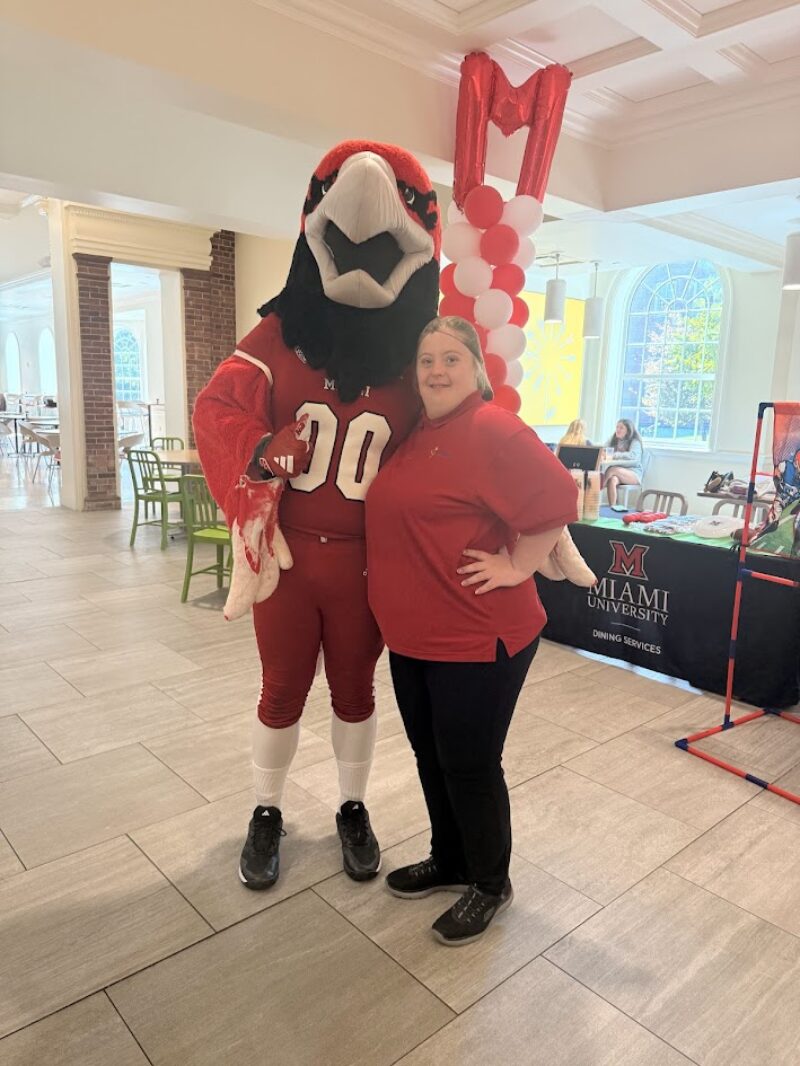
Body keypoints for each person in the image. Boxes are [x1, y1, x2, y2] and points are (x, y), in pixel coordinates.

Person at [193, 140, 441, 891]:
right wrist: (264, 454)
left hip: (369, 564)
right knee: (280, 688)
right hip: (294, 558)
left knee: (356, 693)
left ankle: (352, 805)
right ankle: (266, 811)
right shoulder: (276, 335)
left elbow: (469, 443)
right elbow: (216, 410)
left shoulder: (421, 355)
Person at [365, 316, 579, 946]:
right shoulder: (418, 434)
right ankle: (451, 857)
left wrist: (517, 564)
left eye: (451, 358)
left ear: (477, 369)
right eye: (426, 358)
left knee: (470, 763)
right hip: (413, 637)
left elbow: (560, 495)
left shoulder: (492, 428)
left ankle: (489, 882)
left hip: (478, 636)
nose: (435, 370)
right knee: (432, 756)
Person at [604, 418, 644, 506]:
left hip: (634, 473)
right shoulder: (614, 439)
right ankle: (612, 507)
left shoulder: (635, 441)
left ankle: (599, 487)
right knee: (612, 480)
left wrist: (615, 455)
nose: (618, 430)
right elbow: (604, 449)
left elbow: (633, 456)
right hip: (619, 472)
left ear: (628, 430)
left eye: (621, 428)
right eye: (617, 427)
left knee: (612, 469)